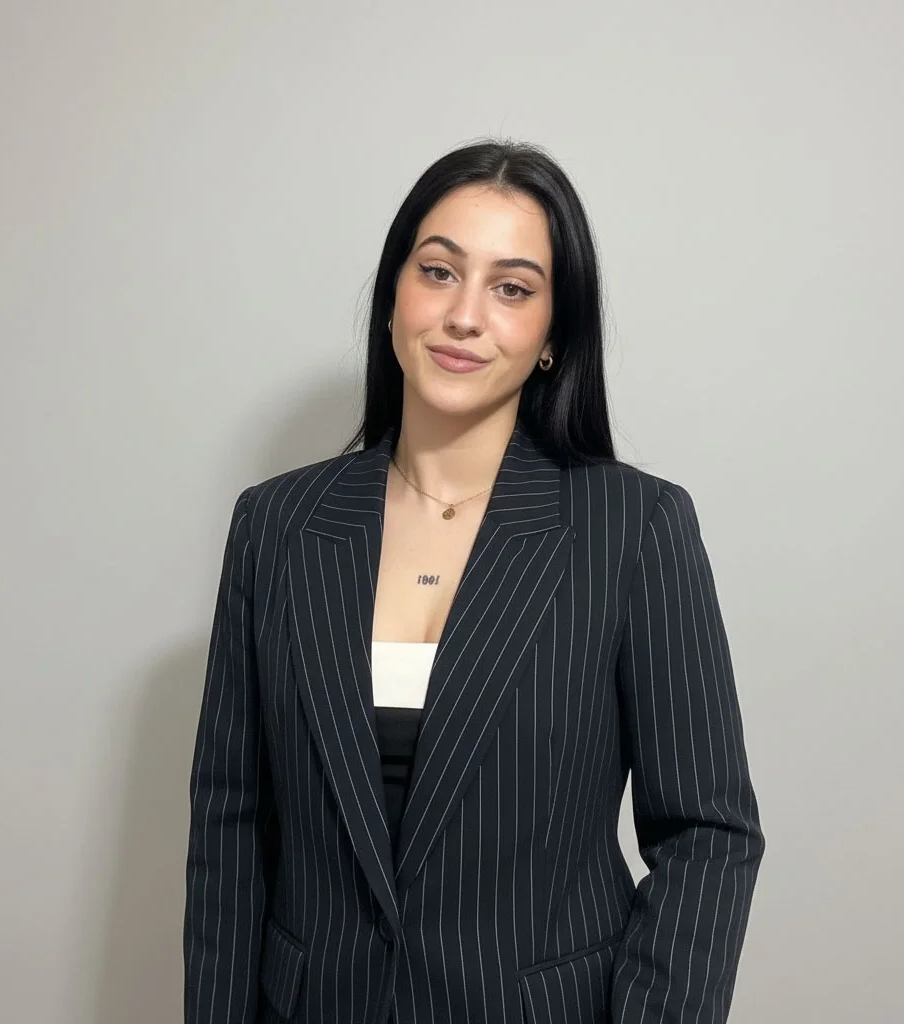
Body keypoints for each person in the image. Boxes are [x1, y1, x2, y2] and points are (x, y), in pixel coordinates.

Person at [183, 138, 765, 1024]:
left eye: (512, 288)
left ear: (552, 337)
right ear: (393, 298)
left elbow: (707, 833)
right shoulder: (277, 526)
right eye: (438, 272)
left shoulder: (632, 527)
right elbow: (230, 826)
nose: (464, 316)